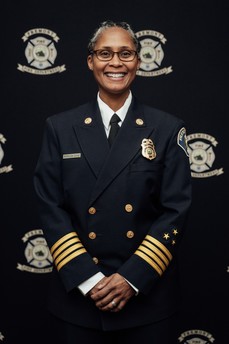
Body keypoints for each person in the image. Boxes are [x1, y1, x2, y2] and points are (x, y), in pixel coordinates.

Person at [33, 20, 192, 344]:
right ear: (90, 60)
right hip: (78, 299)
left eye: (125, 53)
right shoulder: (60, 127)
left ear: (138, 61)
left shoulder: (166, 127)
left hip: (147, 300)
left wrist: (131, 278)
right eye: (105, 53)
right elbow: (50, 206)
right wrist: (89, 279)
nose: (115, 63)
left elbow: (176, 208)